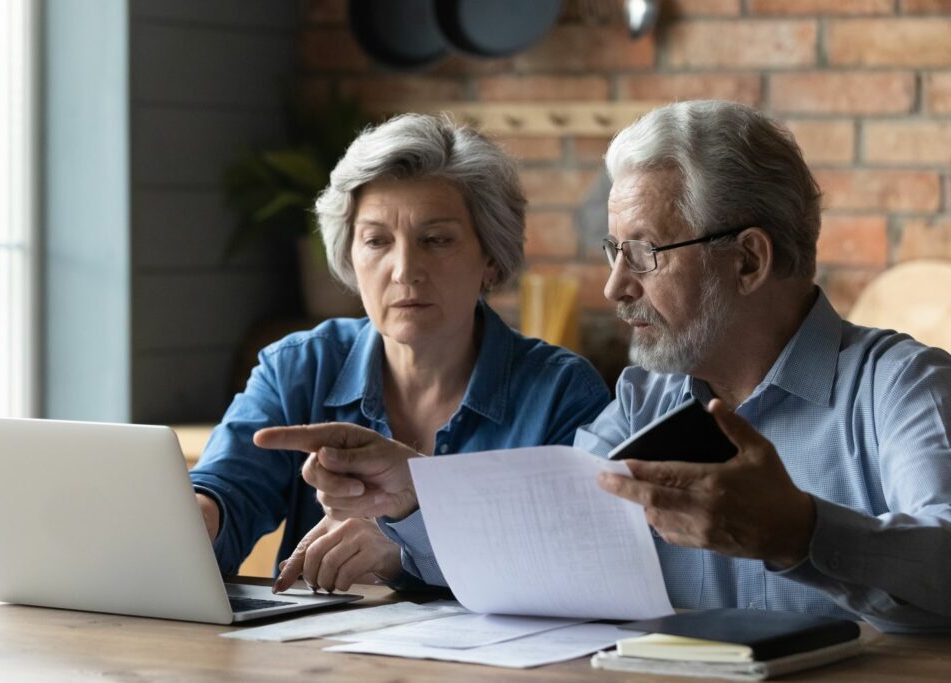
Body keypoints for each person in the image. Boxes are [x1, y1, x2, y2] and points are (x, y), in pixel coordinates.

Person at [256, 101, 951, 633]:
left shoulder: (904, 387)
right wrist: (413, 492)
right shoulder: (642, 401)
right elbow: (538, 543)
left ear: (747, 260)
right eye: (611, 252)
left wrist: (798, 531)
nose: (616, 287)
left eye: (643, 254)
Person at [188, 113, 610, 593]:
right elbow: (228, 491)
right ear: (350, 256)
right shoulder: (299, 368)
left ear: (490, 257)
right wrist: (198, 521)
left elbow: (577, 562)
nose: (405, 270)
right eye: (377, 241)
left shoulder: (562, 394)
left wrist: (408, 549)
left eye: (436, 240)